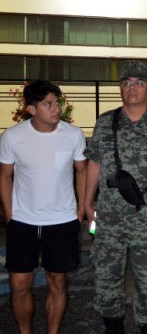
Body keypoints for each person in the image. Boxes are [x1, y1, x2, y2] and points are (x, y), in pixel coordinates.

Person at [83, 61, 147, 334]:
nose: (131, 88)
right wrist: (86, 202)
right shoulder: (106, 122)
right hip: (109, 215)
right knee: (107, 276)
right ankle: (113, 327)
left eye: (139, 83)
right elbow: (94, 164)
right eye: (126, 82)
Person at [0, 80, 87, 334]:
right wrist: (9, 214)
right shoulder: (13, 137)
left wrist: (81, 210)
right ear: (31, 109)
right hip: (23, 221)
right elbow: (4, 175)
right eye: (48, 104)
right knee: (19, 284)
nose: (56, 108)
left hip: (62, 221)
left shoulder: (73, 135)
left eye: (57, 102)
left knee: (57, 282)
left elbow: (81, 171)